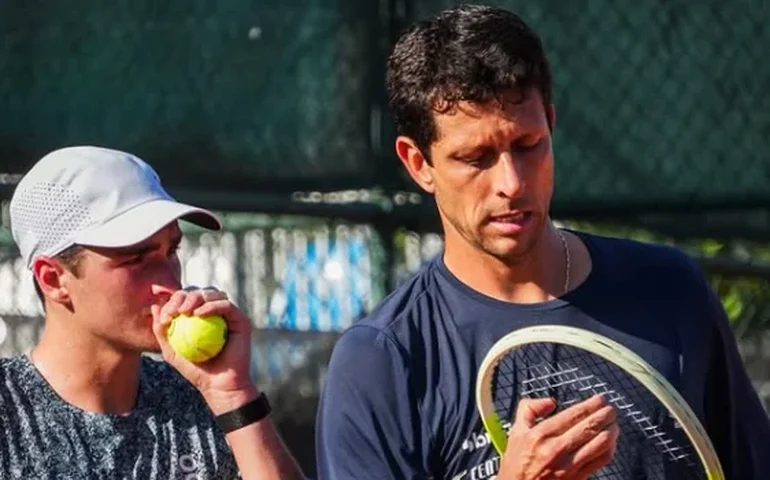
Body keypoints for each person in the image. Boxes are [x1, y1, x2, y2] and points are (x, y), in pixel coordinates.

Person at [315, 4, 770, 479]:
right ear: (418, 164)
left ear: (550, 123)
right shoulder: (382, 360)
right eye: (476, 158)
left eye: (528, 145)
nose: (511, 182)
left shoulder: (671, 291)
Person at [0, 146, 305, 479]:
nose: (169, 283)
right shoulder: (8, 410)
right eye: (134, 259)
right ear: (54, 279)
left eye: (171, 250)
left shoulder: (204, 397)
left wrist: (233, 395)